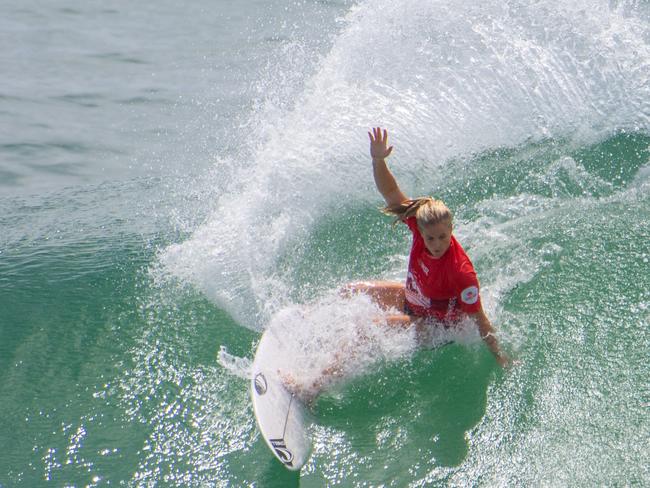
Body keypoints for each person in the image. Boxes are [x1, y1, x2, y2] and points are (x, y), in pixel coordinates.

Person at [343, 127, 511, 367]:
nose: (437, 245)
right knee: (351, 291)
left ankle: (310, 387)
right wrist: (378, 159)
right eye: (430, 238)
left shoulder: (461, 273)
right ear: (420, 231)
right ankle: (310, 321)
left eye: (443, 237)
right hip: (414, 301)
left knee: (365, 331)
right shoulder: (420, 227)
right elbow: (390, 192)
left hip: (436, 327)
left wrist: (500, 357)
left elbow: (480, 320)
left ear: (451, 230)